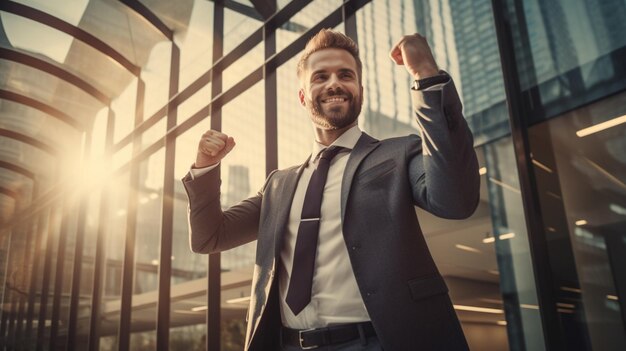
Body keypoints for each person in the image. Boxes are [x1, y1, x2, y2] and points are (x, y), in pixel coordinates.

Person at [183, 29, 479, 351]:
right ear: (302, 96)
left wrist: (426, 77)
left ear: (360, 91)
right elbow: (208, 237)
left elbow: (455, 201)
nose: (333, 83)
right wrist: (205, 167)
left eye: (345, 75)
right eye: (320, 77)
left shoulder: (398, 154)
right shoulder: (278, 185)